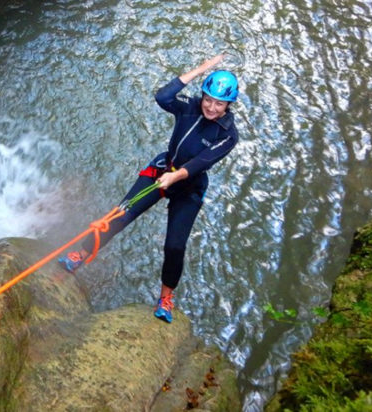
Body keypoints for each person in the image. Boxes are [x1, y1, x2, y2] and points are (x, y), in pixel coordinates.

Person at [58, 54, 239, 323]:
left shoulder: (228, 134)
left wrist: (174, 178)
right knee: (120, 214)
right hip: (162, 170)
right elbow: (163, 96)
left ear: (228, 105)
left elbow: (202, 161)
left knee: (175, 246)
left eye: (219, 103)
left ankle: (165, 297)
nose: (211, 107)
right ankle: (81, 255)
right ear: (202, 96)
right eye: (208, 99)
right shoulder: (190, 107)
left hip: (188, 186)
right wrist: (201, 69)